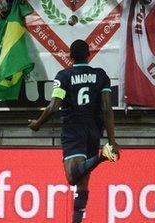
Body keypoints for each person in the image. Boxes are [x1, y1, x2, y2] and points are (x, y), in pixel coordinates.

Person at [28, 39, 119, 223]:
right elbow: (107, 108)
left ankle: (103, 157)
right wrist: (112, 139)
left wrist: (38, 123)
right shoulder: (101, 76)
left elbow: (54, 107)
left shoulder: (63, 76)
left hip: (73, 129)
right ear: (89, 55)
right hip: (94, 129)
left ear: (70, 57)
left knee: (72, 177)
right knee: (82, 182)